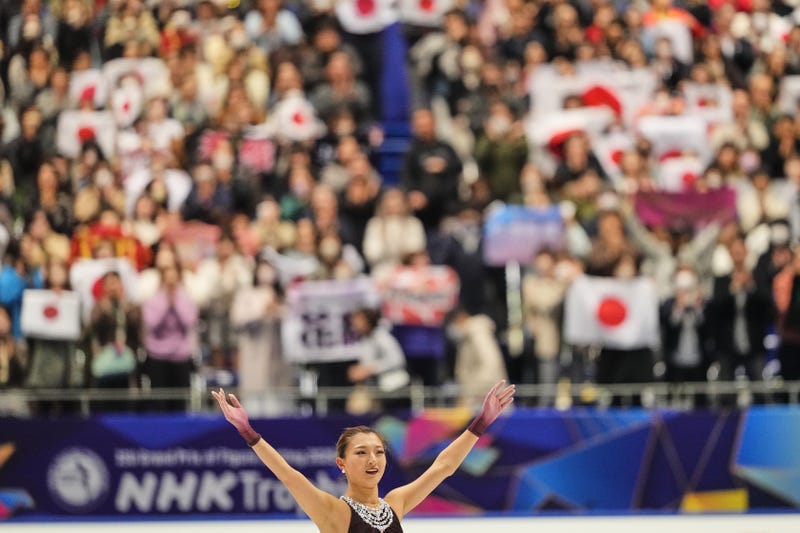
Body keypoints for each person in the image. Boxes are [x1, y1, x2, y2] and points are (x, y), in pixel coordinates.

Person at [211, 380, 515, 533]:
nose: (373, 459)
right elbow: (288, 474)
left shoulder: (395, 503)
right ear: (341, 463)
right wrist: (247, 432)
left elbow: (444, 466)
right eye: (361, 452)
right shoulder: (333, 512)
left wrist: (481, 422)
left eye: (379, 452)